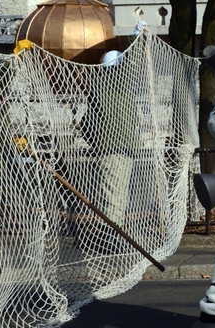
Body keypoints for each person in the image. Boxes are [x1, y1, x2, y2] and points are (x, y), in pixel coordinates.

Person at [76, 49, 140, 255]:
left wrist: (93, 140)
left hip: (114, 147)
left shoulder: (100, 86)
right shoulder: (114, 82)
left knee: (115, 196)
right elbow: (132, 63)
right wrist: (137, 39)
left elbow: (86, 123)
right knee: (114, 198)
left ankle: (113, 236)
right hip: (116, 148)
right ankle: (110, 238)